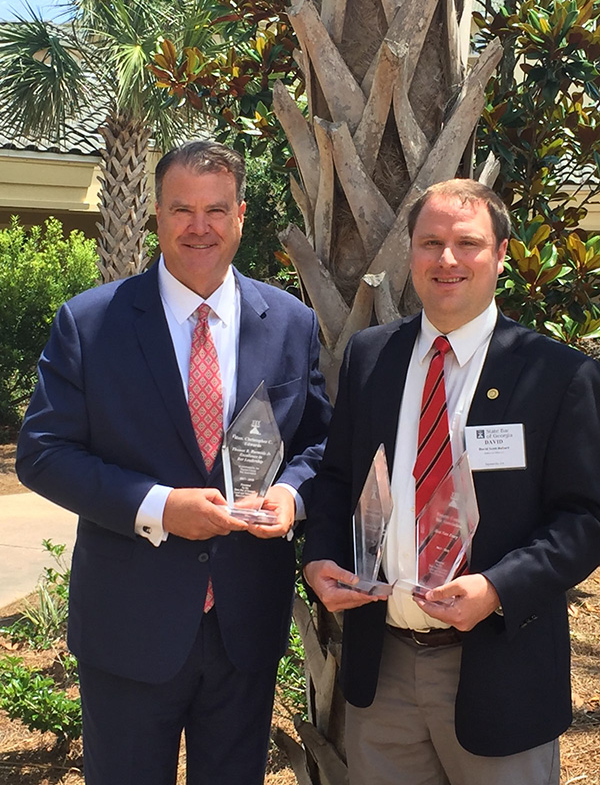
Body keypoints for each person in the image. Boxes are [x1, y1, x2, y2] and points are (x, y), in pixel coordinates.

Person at [17, 140, 331, 785]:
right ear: (155, 216)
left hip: (245, 624)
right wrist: (158, 506)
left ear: (241, 215)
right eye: (181, 209)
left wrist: (293, 495)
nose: (199, 226)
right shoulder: (91, 322)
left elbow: (321, 445)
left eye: (216, 210)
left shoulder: (291, 323)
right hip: (131, 625)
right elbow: (43, 454)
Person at [303, 179, 600, 785]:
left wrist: (496, 587)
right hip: (381, 671)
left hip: (498, 672)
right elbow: (337, 479)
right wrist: (321, 558)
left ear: (500, 255)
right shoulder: (370, 357)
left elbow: (586, 519)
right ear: (409, 254)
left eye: (467, 243)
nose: (447, 260)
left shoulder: (557, 376)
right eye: (430, 242)